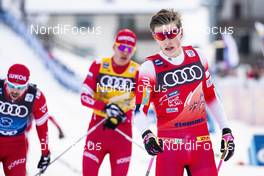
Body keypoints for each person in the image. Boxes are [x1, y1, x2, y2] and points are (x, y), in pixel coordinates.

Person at [134, 9, 235, 176]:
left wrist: (226, 130)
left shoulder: (198, 57)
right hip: (169, 150)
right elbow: (140, 110)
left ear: (181, 32)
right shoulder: (149, 68)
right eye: (161, 36)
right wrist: (146, 135)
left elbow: (210, 96)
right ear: (154, 37)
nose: (167, 40)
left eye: (172, 33)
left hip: (201, 146)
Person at [81, 29, 139, 176]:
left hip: (122, 132)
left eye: (129, 49)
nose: (125, 52)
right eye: (122, 47)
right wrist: (105, 107)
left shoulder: (137, 71)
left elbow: (144, 100)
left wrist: (123, 111)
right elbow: (84, 96)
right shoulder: (99, 65)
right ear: (114, 47)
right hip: (98, 129)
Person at [0, 64, 50, 176]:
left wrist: (45, 153)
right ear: (6, 82)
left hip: (15, 145)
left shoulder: (36, 97)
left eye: (20, 88)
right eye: (11, 86)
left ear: (27, 86)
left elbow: (42, 127)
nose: (15, 91)